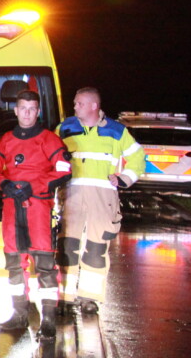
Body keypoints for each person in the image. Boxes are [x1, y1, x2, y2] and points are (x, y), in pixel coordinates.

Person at [0, 90, 72, 337]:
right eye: (23, 108)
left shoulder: (49, 139)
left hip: (38, 208)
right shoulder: (7, 140)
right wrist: (4, 184)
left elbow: (64, 170)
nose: (27, 113)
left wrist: (35, 186)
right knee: (14, 264)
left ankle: (49, 319)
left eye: (32, 108)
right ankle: (19, 315)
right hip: (12, 209)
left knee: (44, 266)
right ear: (15, 110)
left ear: (38, 111)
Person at [56, 87, 145, 316]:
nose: (74, 107)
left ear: (94, 106)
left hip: (103, 196)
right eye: (75, 103)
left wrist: (124, 179)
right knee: (67, 245)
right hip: (72, 192)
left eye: (79, 103)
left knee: (96, 247)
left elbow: (137, 158)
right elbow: (49, 153)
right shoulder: (65, 128)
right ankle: (65, 296)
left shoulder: (117, 131)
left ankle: (90, 298)